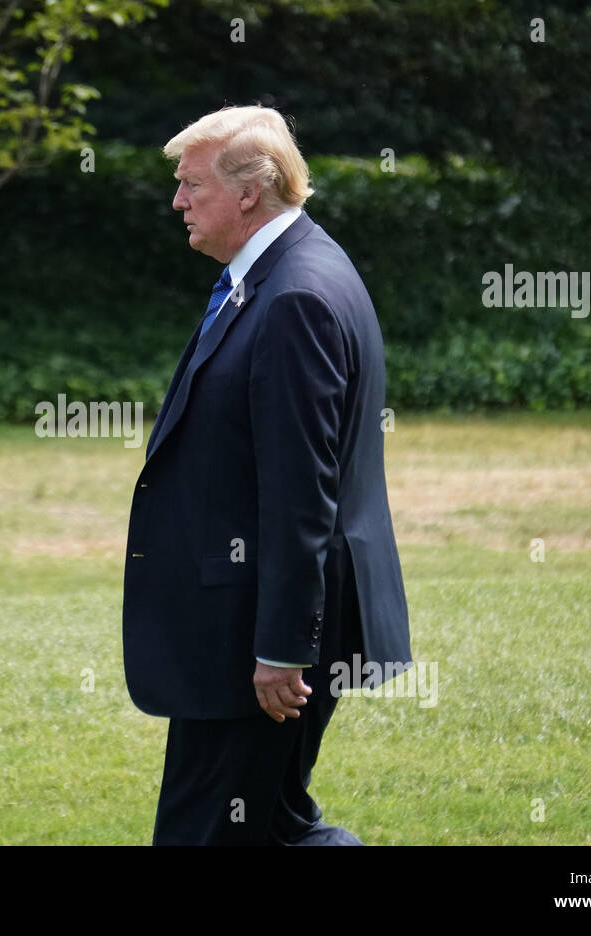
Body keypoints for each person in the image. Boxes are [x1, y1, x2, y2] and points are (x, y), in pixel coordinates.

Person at [121, 104, 412, 846]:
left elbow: (299, 494)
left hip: (261, 639)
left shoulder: (295, 298)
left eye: (190, 185)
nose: (177, 200)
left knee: (209, 834)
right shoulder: (284, 273)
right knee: (266, 828)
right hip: (249, 627)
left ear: (250, 190)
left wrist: (282, 648)